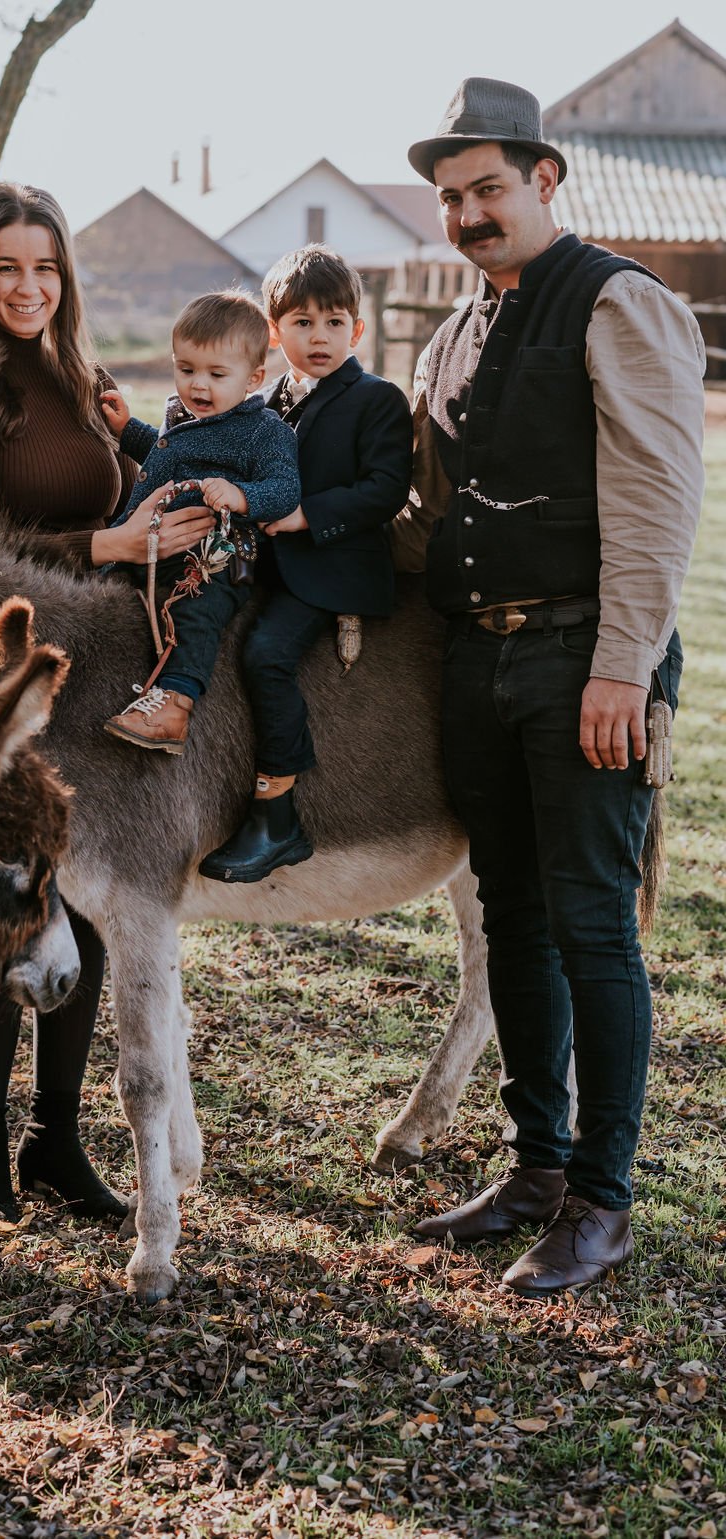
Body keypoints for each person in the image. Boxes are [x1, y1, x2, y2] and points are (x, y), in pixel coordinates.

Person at [397, 80, 705, 1294]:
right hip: (478, 657)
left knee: (589, 923)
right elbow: (428, 515)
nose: (468, 213)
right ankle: (534, 1165)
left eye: (487, 188)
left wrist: (623, 663)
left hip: (587, 656)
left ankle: (601, 1201)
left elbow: (654, 499)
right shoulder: (454, 330)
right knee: (510, 918)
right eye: (450, 198)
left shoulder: (620, 302)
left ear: (544, 179)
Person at [0, 181, 216, 1225]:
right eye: (8, 267)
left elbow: (126, 492)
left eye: (45, 266)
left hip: (92, 687)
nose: (29, 285)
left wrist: (150, 470)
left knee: (82, 918)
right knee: (11, 909)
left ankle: (55, 1140)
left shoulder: (85, 383)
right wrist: (107, 547)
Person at [198, 245, 413, 882]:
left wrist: (305, 516)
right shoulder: (264, 403)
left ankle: (276, 814)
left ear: (358, 328)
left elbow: (385, 488)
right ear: (274, 330)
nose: (319, 337)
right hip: (262, 561)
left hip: (331, 565)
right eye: (302, 323)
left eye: (333, 322)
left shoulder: (376, 400)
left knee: (266, 653)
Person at [101, 291, 301, 755]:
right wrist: (130, 430)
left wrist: (243, 495)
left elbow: (286, 489)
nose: (198, 386)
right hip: (157, 544)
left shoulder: (265, 431)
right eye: (186, 370)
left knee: (196, 609)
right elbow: (169, 453)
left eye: (216, 374)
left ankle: (176, 702)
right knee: (108, 588)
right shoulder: (184, 417)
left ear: (253, 379)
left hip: (216, 557)